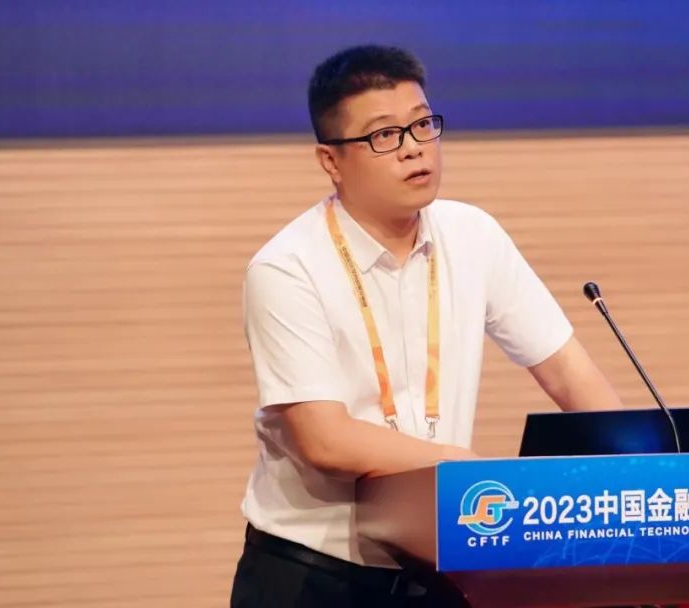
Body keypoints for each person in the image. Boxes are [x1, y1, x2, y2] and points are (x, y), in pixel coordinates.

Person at [229, 45, 623, 607]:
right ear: (331, 161)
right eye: (384, 135)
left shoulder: (472, 235)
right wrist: (467, 469)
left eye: (421, 124)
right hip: (314, 579)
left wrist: (643, 469)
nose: (413, 147)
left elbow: (568, 373)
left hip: (439, 572)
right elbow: (324, 440)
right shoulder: (288, 267)